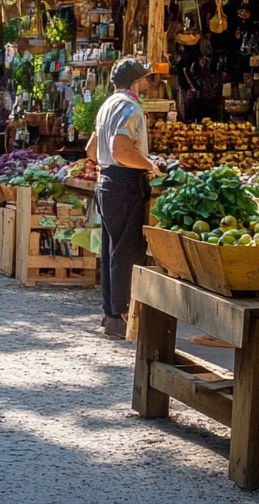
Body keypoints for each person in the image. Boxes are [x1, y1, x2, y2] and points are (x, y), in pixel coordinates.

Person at [85, 58, 160, 339]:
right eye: (145, 80)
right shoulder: (130, 107)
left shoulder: (107, 105)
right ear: (137, 82)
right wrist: (150, 165)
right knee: (126, 251)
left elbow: (92, 149)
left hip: (106, 183)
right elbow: (120, 150)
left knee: (110, 251)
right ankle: (122, 316)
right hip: (125, 183)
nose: (148, 85)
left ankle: (110, 314)